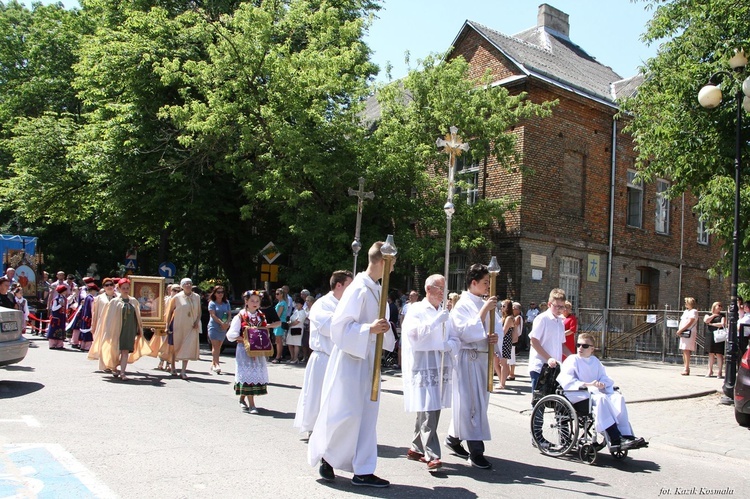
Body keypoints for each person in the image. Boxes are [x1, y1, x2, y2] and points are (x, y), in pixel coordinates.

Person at [308, 241, 396, 488]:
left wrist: (383, 329)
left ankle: (363, 469)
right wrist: (370, 329)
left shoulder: (377, 289)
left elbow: (382, 325)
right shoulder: (358, 288)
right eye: (392, 263)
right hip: (350, 359)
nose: (393, 269)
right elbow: (339, 327)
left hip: (368, 359)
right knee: (345, 412)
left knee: (367, 415)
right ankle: (327, 455)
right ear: (382, 261)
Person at [443, 264, 499, 470]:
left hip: (483, 359)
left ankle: (453, 438)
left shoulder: (485, 302)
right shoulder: (463, 304)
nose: (488, 287)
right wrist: (484, 310)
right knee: (471, 405)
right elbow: (464, 332)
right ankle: (476, 451)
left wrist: (494, 337)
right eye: (485, 283)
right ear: (473, 283)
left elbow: (496, 328)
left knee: (477, 405)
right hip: (468, 359)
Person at [557, 332, 646, 451]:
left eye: (585, 346)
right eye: (578, 345)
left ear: (592, 349)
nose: (580, 348)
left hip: (594, 392)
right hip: (578, 395)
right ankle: (615, 438)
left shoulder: (595, 361)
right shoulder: (572, 359)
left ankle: (626, 435)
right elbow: (567, 380)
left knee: (617, 398)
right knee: (602, 399)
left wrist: (602, 383)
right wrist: (588, 384)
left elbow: (604, 377)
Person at [401, 274, 452, 471]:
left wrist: (449, 344)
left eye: (444, 288)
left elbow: (449, 336)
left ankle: (416, 446)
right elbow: (414, 336)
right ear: (428, 289)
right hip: (423, 364)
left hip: (439, 364)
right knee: (430, 409)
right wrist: (435, 322)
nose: (443, 292)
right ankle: (432, 454)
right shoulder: (417, 309)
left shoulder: (443, 311)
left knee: (428, 407)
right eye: (439, 288)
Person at [294, 270, 353, 436]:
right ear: (339, 285)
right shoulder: (322, 304)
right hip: (324, 357)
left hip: (342, 358)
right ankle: (315, 430)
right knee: (318, 396)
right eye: (349, 285)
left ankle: (334, 431)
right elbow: (332, 328)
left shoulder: (347, 304)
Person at [90, 278, 149, 380]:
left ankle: (122, 372)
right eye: (123, 288)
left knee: (125, 350)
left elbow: (137, 316)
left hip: (129, 329)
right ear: (119, 288)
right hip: (117, 329)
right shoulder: (114, 302)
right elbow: (109, 318)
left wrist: (139, 329)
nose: (126, 290)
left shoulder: (133, 301)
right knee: (115, 349)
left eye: (127, 288)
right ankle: (114, 367)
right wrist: (106, 331)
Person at [227, 290, 270, 414]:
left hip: (257, 351)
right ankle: (252, 405)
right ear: (246, 301)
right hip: (244, 350)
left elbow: (263, 330)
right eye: (252, 300)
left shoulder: (261, 316)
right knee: (247, 373)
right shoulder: (240, 316)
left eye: (257, 301)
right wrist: (245, 339)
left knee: (253, 373)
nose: (255, 303)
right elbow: (231, 335)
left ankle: (242, 398)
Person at [528, 288, 572, 397]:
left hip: (554, 368)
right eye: (557, 306)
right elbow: (534, 341)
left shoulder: (560, 321)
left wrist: (572, 356)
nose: (560, 309)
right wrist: (548, 358)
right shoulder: (542, 319)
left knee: (554, 400)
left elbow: (561, 344)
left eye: (562, 307)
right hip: (540, 367)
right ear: (549, 304)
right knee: (538, 401)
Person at [164, 277, 201, 379]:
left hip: (191, 326)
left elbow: (199, 311)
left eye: (190, 283)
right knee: (176, 346)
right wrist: (167, 325)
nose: (188, 285)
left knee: (187, 347)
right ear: (182, 286)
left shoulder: (196, 297)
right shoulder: (177, 297)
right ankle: (173, 366)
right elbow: (169, 312)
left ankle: (183, 371)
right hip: (178, 325)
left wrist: (197, 321)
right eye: (186, 284)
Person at [207, 285, 232, 374]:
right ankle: (217, 364)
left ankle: (213, 363)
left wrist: (227, 324)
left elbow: (229, 314)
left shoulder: (226, 303)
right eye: (218, 292)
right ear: (215, 293)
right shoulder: (212, 303)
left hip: (223, 327)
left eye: (222, 292)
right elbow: (213, 315)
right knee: (215, 346)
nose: (220, 294)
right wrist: (221, 323)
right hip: (214, 326)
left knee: (219, 346)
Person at [675, 297, 699, 376]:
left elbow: (690, 322)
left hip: (688, 332)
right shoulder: (686, 311)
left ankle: (687, 367)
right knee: (684, 349)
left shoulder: (694, 311)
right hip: (683, 332)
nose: (685, 303)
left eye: (686, 302)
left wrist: (681, 330)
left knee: (686, 349)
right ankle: (685, 366)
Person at [494, 299, 513, 390]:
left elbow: (503, 331)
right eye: (501, 306)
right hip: (500, 341)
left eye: (504, 306)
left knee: (503, 362)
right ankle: (501, 379)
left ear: (508, 307)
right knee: (495, 361)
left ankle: (502, 383)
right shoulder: (502, 317)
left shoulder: (509, 318)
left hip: (505, 341)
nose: (502, 308)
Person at [703, 302, 726, 378]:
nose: (720, 307)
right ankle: (710, 370)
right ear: (714, 306)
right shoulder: (708, 314)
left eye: (721, 306)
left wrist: (712, 324)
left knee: (719, 354)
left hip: (719, 335)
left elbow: (722, 324)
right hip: (710, 335)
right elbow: (706, 321)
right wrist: (714, 315)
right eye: (718, 306)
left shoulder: (722, 316)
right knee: (711, 353)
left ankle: (720, 371)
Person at [76, 283, 98, 352]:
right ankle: (87, 346)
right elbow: (92, 308)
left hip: (85, 317)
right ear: (92, 290)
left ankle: (82, 345)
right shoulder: (91, 298)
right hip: (89, 317)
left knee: (84, 330)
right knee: (88, 331)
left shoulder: (86, 298)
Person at [47, 284, 69, 349]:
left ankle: (60, 344)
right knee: (54, 330)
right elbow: (53, 308)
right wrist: (60, 305)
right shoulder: (56, 299)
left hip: (62, 317)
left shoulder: (65, 299)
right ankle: (52, 344)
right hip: (56, 318)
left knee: (61, 330)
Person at [287, 296, 306, 364]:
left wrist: (289, 324)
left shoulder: (302, 312)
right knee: (289, 343)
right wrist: (289, 323)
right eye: (296, 304)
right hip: (291, 329)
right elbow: (291, 319)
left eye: (297, 304)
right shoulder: (295, 311)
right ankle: (292, 357)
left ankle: (295, 358)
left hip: (297, 329)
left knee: (296, 344)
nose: (296, 305)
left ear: (301, 304)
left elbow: (297, 321)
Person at [271, 288, 288, 363]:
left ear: (282, 294)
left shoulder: (282, 303)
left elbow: (278, 314)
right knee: (277, 340)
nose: (276, 295)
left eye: (278, 294)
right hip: (277, 322)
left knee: (279, 340)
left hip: (280, 322)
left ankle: (278, 357)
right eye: (276, 294)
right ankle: (278, 355)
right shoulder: (279, 303)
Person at [508, 301, 523, 380]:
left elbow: (514, 326)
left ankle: (512, 373)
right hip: (513, 338)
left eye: (514, 308)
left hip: (514, 339)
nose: (512, 309)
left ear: (518, 310)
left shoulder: (518, 317)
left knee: (511, 356)